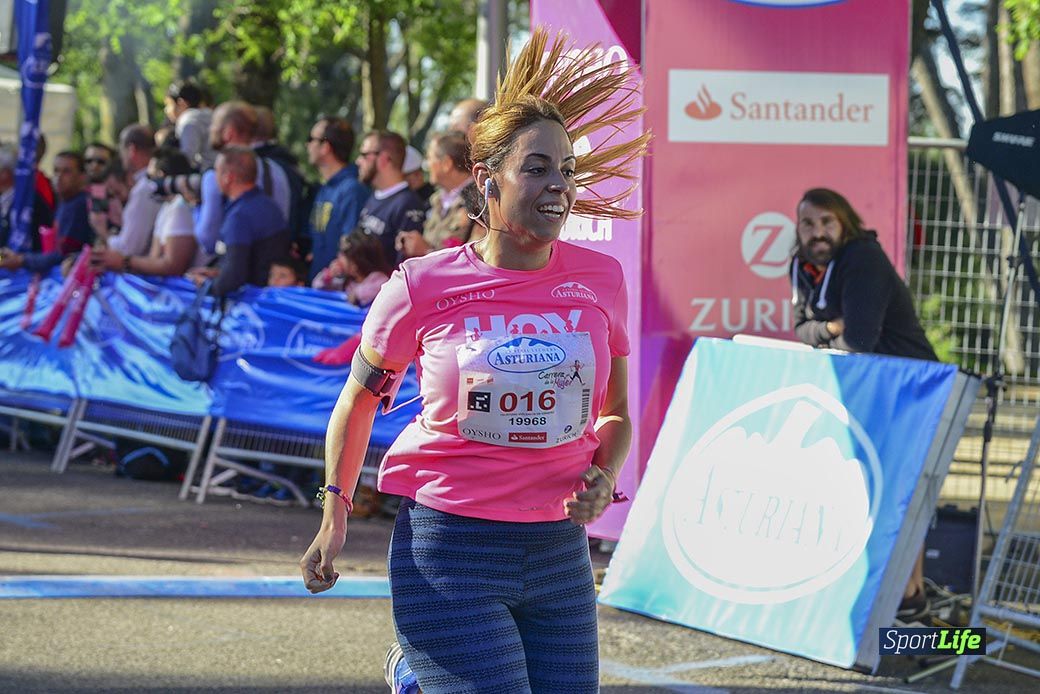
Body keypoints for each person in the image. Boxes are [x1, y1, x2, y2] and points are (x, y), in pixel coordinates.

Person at [300, 27, 648, 693]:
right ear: (487, 179)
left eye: (567, 170)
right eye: (537, 168)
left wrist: (604, 475)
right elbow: (361, 399)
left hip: (557, 553)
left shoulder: (601, 280)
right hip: (451, 549)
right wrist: (334, 514)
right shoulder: (421, 286)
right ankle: (420, 673)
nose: (559, 187)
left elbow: (616, 412)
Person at [790, 187, 939, 622]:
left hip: (912, 388)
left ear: (845, 223)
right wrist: (831, 326)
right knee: (872, 488)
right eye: (808, 223)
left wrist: (830, 328)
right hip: (866, 390)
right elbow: (801, 329)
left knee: (898, 491)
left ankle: (908, 597)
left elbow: (859, 340)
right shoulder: (802, 262)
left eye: (827, 222)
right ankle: (901, 597)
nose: (817, 232)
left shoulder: (862, 258)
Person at [187, 146, 289, 297]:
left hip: (252, 305)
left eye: (217, 171)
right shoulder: (269, 205)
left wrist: (207, 286)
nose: (214, 177)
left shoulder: (239, 216)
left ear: (228, 177)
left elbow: (234, 275)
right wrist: (217, 272)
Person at [195, 101, 291, 256]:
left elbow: (207, 238)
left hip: (233, 267)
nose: (210, 129)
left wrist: (197, 208)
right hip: (271, 268)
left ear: (229, 132)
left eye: (214, 124)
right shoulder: (276, 171)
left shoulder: (215, 176)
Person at [92, 148, 206, 277]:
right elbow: (154, 257)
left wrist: (124, 261)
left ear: (161, 176)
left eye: (150, 177)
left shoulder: (181, 207)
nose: (145, 184)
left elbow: (173, 266)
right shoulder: (167, 207)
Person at [1, 151, 92, 273]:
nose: (59, 177)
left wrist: (21, 260)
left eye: (66, 172)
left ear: (82, 176)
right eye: (56, 170)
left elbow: (63, 255)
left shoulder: (79, 206)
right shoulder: (65, 203)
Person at [396, 130, 480, 260]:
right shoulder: (437, 200)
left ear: (446, 164)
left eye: (429, 158)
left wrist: (426, 251)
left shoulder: (480, 204)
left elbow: (475, 260)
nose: (426, 165)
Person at [305, 117, 369, 281]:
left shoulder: (352, 191)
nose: (308, 145)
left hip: (338, 294)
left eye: (311, 139)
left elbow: (351, 250)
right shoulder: (325, 189)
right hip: (320, 288)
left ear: (325, 147)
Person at [354, 130, 427, 266]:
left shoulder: (408, 205)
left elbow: (405, 268)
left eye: (364, 155)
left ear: (384, 159)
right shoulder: (375, 196)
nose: (358, 161)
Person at [97, 125, 162, 258]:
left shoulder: (145, 189)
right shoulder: (154, 182)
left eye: (122, 151)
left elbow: (129, 248)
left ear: (131, 150)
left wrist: (104, 233)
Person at [311, 230, 391, 308]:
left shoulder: (379, 279)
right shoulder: (346, 281)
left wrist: (354, 295)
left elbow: (372, 291)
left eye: (344, 255)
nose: (339, 257)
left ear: (356, 264)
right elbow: (317, 287)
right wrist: (328, 275)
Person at [164, 79, 216, 170]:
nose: (166, 110)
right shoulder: (210, 114)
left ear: (181, 103)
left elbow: (186, 158)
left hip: (209, 172)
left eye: (169, 104)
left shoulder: (188, 120)